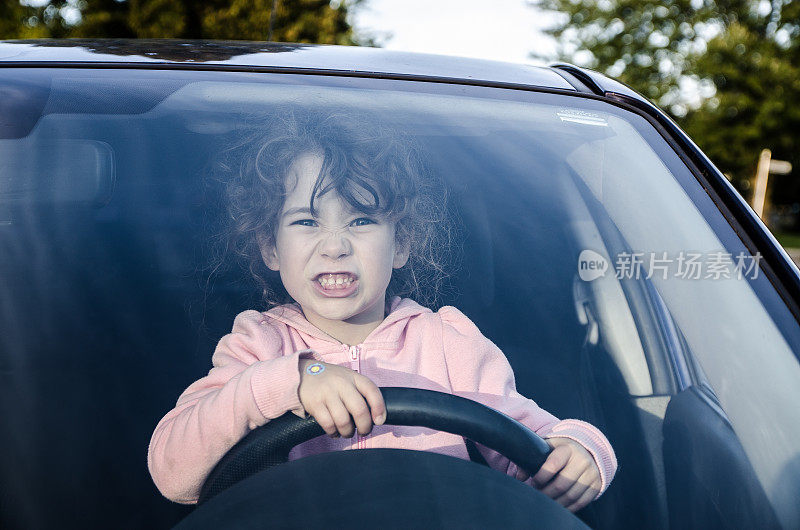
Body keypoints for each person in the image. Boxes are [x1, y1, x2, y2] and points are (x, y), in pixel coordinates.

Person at [147, 108, 617, 512]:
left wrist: (582, 449)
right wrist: (291, 381)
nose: (335, 246)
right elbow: (173, 472)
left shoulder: (448, 343)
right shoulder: (258, 346)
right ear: (271, 248)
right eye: (307, 222)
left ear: (402, 244)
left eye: (362, 220)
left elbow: (530, 442)